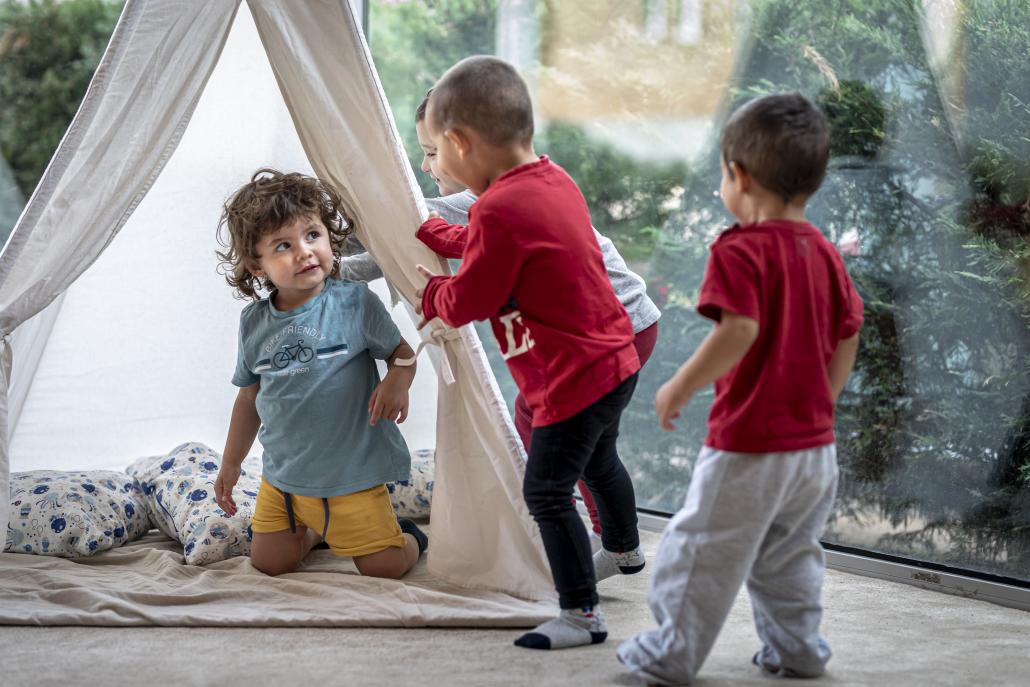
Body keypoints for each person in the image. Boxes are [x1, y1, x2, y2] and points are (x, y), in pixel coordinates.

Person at [618, 93, 863, 684]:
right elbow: (848, 333)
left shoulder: (741, 247)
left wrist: (679, 384)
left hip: (751, 446)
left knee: (698, 549)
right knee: (791, 556)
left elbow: (742, 329)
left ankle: (672, 652)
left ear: (739, 176)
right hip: (814, 453)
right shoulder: (826, 253)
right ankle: (798, 648)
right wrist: (824, 403)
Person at [415, 55, 646, 650]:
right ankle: (624, 545)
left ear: (460, 143)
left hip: (573, 377)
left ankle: (581, 615)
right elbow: (504, 247)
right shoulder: (551, 180)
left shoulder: (498, 207)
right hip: (613, 361)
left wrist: (433, 291)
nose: (433, 165)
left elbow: (470, 297)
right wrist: (439, 234)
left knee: (545, 491)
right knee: (598, 461)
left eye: (434, 153)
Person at [213, 169, 428, 579]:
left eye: (313, 235)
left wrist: (397, 380)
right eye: (283, 245)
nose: (304, 252)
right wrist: (231, 463)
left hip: (352, 476)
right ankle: (318, 532)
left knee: (385, 569)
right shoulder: (254, 323)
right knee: (270, 564)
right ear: (257, 266)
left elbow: (402, 353)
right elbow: (248, 397)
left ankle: (412, 536)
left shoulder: (354, 302)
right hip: (285, 479)